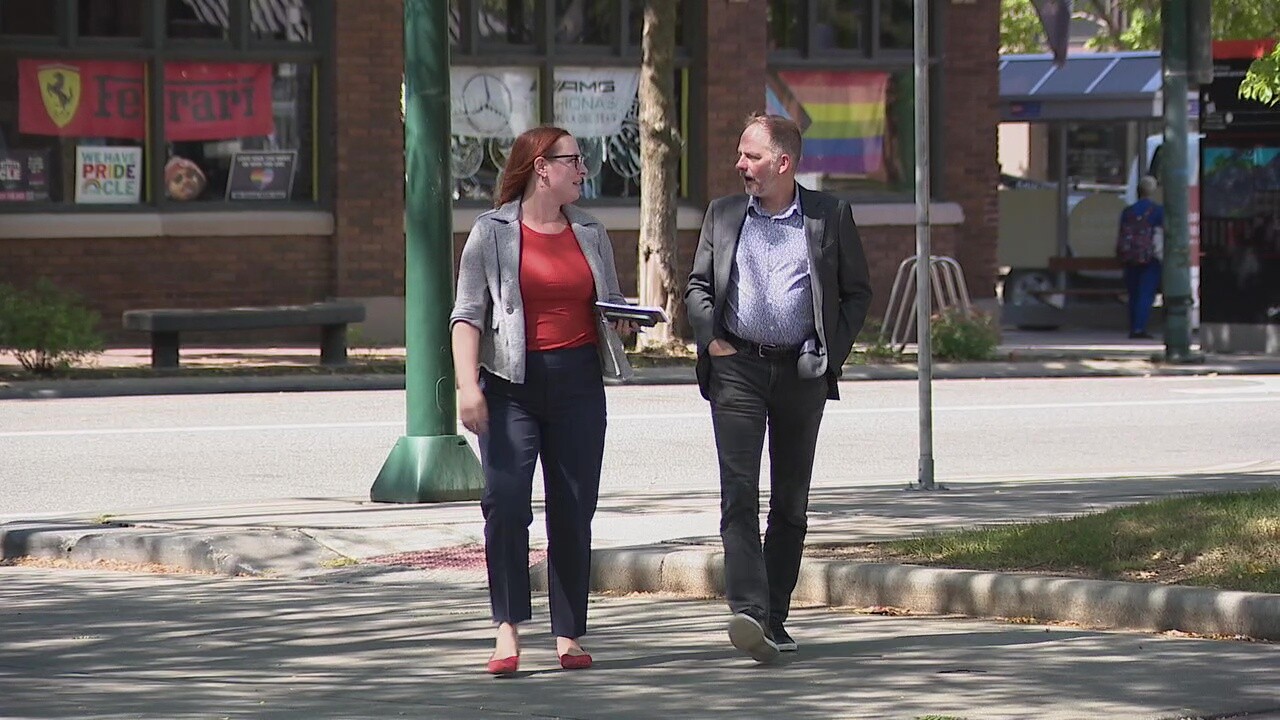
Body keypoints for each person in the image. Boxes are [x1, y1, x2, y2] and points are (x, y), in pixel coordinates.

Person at [449, 126, 637, 676]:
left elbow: (609, 304)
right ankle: (506, 629)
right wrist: (467, 386)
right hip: (511, 384)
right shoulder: (492, 233)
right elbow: (467, 315)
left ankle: (568, 633)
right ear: (541, 167)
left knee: (573, 511)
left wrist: (626, 321)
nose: (583, 170)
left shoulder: (591, 231)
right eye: (575, 160)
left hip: (579, 381)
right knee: (506, 505)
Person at [685, 114, 873, 662]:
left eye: (751, 156)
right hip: (737, 367)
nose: (739, 165)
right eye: (741, 155)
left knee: (790, 500)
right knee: (738, 492)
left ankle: (774, 616)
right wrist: (711, 338)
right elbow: (698, 285)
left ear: (784, 163)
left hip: (801, 372)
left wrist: (829, 352)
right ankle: (748, 611)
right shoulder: (722, 215)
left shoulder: (829, 215)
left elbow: (856, 293)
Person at [1116, 175, 1164, 339]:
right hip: (1150, 258)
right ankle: (1139, 328)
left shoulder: (1128, 211)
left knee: (1134, 293)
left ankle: (1133, 327)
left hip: (1130, 257)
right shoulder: (1157, 211)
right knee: (1146, 293)